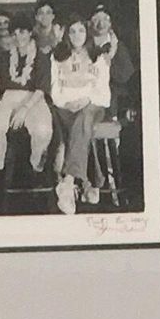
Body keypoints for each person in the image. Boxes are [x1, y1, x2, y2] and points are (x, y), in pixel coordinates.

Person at [49, 19, 110, 214]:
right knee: (80, 128)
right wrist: (65, 103)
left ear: (88, 33)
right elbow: (54, 89)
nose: (77, 35)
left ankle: (67, 183)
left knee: (84, 118)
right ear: (67, 35)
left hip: (92, 106)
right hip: (66, 107)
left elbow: (104, 94)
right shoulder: (57, 56)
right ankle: (89, 182)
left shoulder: (98, 57)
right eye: (72, 31)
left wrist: (86, 99)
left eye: (81, 30)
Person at [0, 20, 54, 179]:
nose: (18, 37)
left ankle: (36, 164)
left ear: (30, 33)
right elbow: (0, 88)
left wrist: (24, 109)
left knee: (42, 129)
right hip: (8, 96)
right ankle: (0, 166)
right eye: (14, 34)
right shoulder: (4, 57)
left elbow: (41, 89)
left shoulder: (41, 57)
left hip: (34, 98)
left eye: (22, 32)